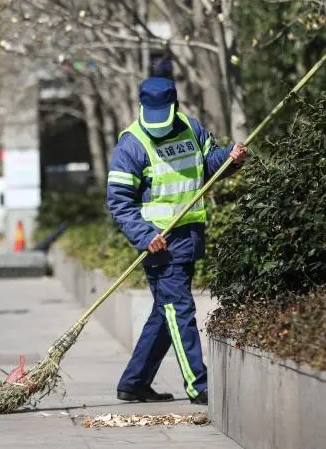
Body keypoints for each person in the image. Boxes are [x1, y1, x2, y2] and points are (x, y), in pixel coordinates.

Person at [106, 59, 248, 405]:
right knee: (179, 311)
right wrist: (144, 235)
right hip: (160, 245)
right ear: (142, 108)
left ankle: (134, 382)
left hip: (189, 236)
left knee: (165, 312)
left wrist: (229, 159)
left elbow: (206, 168)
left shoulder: (190, 126)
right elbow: (119, 201)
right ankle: (200, 387)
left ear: (175, 107)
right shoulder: (131, 144)